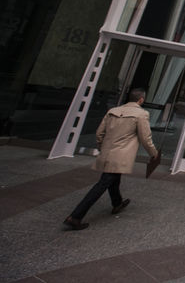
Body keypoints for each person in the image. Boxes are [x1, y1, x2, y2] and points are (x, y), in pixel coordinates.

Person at [63, 88, 158, 230]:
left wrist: (103, 148)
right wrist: (153, 154)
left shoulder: (112, 111)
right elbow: (145, 138)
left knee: (113, 179)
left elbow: (99, 133)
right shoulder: (141, 114)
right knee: (103, 183)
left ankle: (117, 203)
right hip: (121, 155)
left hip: (108, 153)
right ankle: (76, 216)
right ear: (141, 100)